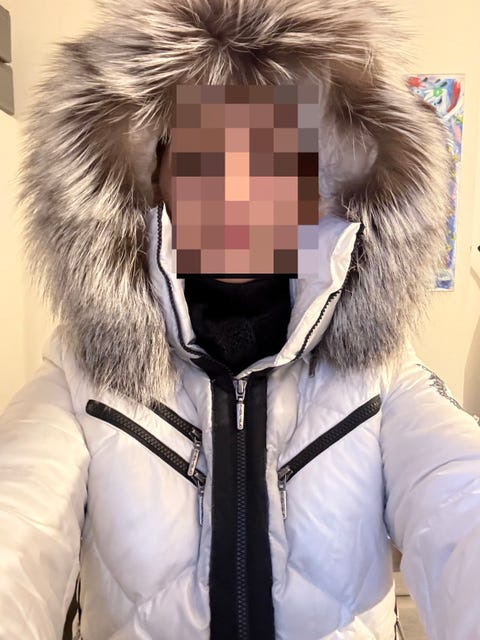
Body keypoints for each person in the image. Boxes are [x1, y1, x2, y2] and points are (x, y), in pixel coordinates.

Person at [1, 0, 479, 638]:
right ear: (155, 177)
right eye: (204, 155)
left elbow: (458, 492)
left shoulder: (380, 370)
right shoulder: (80, 368)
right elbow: (18, 515)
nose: (237, 193)